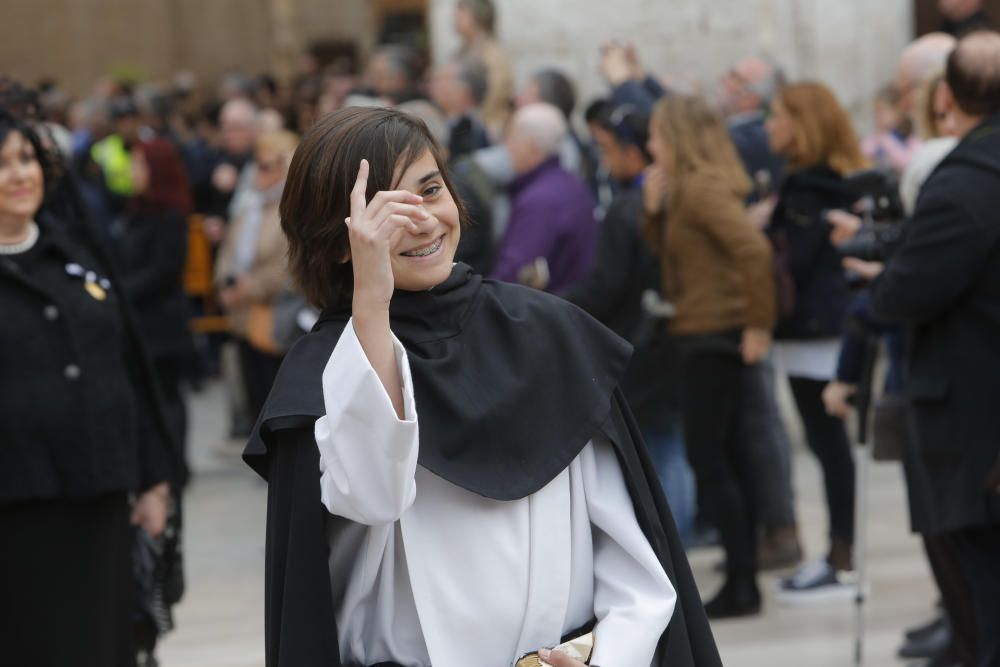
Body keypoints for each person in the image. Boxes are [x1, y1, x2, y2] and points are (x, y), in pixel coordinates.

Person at [242, 105, 722, 667]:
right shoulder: (322, 375)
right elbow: (374, 494)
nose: (422, 219)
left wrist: (604, 655)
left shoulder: (546, 334)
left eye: (431, 190)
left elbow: (632, 560)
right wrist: (371, 303)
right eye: (389, 210)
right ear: (339, 240)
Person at [0, 108, 173, 666]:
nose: (19, 175)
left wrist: (152, 479)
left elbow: (126, 366)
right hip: (17, 507)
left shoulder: (76, 254)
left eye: (26, 159)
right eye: (1, 165)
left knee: (101, 645)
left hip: (100, 493)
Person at [868, 31, 1000, 667]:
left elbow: (904, 294)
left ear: (946, 95)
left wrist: (887, 271)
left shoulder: (966, 182)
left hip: (978, 422)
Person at [643, 95, 776, 618]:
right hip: (704, 330)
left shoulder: (699, 190)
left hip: (714, 336)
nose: (650, 146)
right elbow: (678, 262)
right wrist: (655, 214)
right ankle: (742, 575)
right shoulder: (685, 191)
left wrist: (759, 324)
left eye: (656, 136)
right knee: (727, 456)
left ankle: (743, 582)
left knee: (711, 458)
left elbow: (754, 250)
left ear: (676, 138)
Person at [562, 103, 694, 543]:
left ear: (633, 154)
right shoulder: (668, 197)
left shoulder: (629, 209)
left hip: (644, 340)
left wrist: (554, 307)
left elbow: (607, 285)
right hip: (671, 336)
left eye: (608, 149)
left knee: (660, 447)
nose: (603, 160)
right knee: (671, 443)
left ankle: (672, 542)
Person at [763, 82, 870, 601]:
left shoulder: (810, 187)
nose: (769, 126)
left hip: (817, 328)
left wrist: (766, 232)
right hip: (818, 327)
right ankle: (839, 553)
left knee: (830, 449)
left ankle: (842, 556)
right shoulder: (831, 180)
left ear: (801, 123)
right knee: (831, 450)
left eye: (778, 117)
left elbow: (798, 260)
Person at [717, 54, 802, 569]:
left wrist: (758, 322)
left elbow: (752, 247)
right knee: (758, 422)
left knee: (760, 420)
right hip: (748, 306)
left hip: (747, 306)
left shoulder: (745, 137)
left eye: (732, 79)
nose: (722, 87)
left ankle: (779, 528)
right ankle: (773, 526)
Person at [215, 129, 298, 421]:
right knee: (252, 397)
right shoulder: (249, 204)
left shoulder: (291, 209)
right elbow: (228, 248)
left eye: (265, 165)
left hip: (275, 317)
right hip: (242, 315)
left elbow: (288, 264)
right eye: (256, 163)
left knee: (273, 400)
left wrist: (250, 287)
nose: (257, 172)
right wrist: (225, 284)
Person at [490, 103, 597, 292]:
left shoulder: (539, 202)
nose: (506, 146)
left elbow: (511, 279)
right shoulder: (573, 185)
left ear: (530, 147)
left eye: (511, 138)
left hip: (550, 311)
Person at [454, 0, 514, 140]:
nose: (455, 18)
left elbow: (497, 92)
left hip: (487, 128)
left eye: (462, 13)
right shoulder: (461, 51)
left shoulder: (493, 53)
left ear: (477, 17)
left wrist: (471, 118)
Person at [428, 57, 491, 160]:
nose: (432, 86)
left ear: (465, 90)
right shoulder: (437, 120)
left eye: (442, 80)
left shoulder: (474, 130)